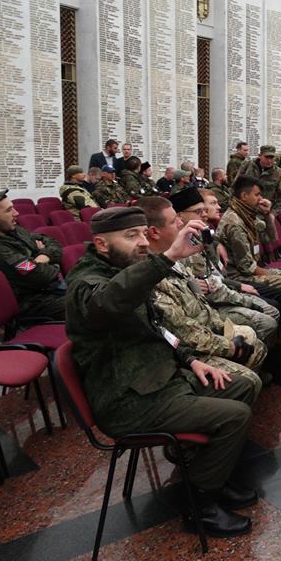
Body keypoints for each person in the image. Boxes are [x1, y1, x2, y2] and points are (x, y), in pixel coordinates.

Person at [65, 207, 258, 536]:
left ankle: (212, 473)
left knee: (242, 387)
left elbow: (157, 328)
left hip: (158, 378)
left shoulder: (128, 268)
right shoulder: (86, 284)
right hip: (129, 399)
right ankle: (200, 507)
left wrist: (190, 360)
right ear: (100, 244)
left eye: (143, 233)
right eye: (131, 236)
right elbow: (109, 302)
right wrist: (167, 257)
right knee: (234, 416)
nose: (142, 242)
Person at [139, 196, 266, 390]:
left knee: (255, 342)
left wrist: (223, 327)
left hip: (205, 325)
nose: (181, 223)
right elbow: (183, 331)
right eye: (174, 221)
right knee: (249, 378)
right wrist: (230, 345)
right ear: (154, 232)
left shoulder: (175, 256)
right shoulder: (150, 274)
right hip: (187, 347)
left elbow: (200, 297)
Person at [217, 175, 281, 323]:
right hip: (239, 276)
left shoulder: (246, 214)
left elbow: (269, 239)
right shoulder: (235, 223)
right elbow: (247, 267)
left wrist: (267, 215)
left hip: (252, 269)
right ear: (244, 196)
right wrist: (272, 274)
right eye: (257, 195)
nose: (261, 199)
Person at [0, 188, 66, 318]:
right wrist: (49, 261)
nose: (16, 213)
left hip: (49, 292)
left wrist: (40, 257)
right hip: (31, 303)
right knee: (91, 305)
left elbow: (54, 243)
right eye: (9, 210)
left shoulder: (12, 230)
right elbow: (41, 274)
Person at [237, 145, 281, 211]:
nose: (269, 161)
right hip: (245, 210)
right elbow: (235, 186)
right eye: (266, 157)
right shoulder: (247, 166)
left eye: (271, 158)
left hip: (264, 211)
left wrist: (273, 213)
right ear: (260, 156)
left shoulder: (278, 173)